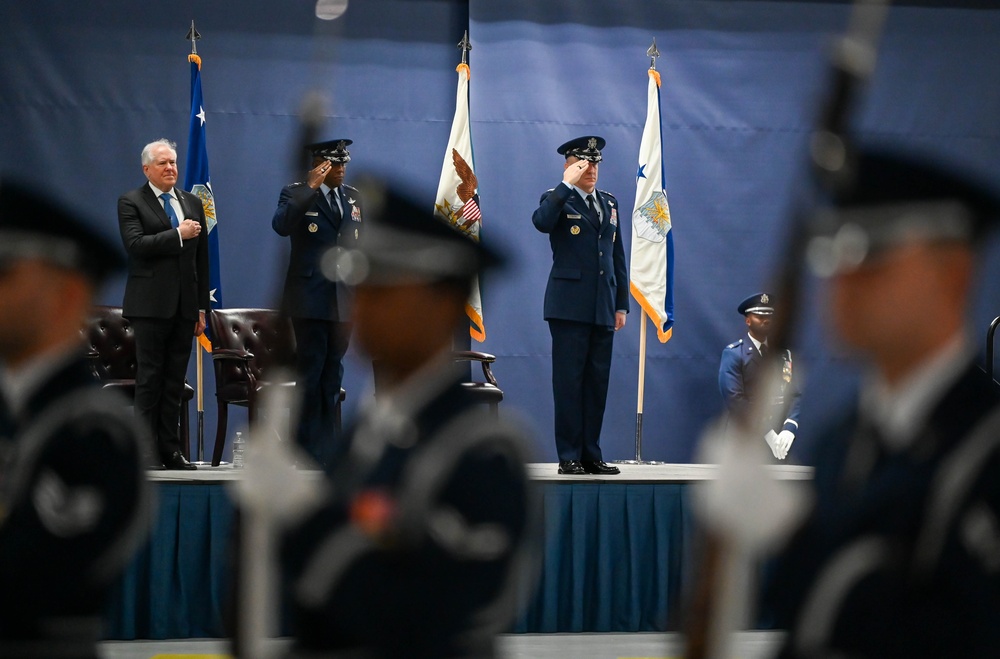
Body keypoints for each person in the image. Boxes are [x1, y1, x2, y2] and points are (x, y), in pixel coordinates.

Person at [279, 179, 536, 658]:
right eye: (359, 291)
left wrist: (308, 526)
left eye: (384, 291)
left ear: (442, 304)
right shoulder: (366, 432)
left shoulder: (481, 450)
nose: (362, 310)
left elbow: (445, 609)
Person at [763, 148, 1000, 658]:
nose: (843, 282)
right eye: (837, 254)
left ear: (953, 273)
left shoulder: (988, 452)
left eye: (872, 256)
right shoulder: (839, 444)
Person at [0, 179, 152, 658]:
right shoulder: (15, 414)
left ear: (67, 293)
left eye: (4, 272)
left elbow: (33, 581)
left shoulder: (93, 430)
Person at [532, 135, 628, 476]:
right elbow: (541, 222)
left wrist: (621, 304)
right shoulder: (556, 199)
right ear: (570, 165)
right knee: (569, 382)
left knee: (596, 384)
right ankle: (569, 454)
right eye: (584, 164)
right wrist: (564, 186)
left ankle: (591, 453)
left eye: (595, 163)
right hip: (569, 306)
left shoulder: (610, 203)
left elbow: (617, 255)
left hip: (602, 305)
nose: (592, 170)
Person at [117, 138, 209, 470]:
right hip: (150, 306)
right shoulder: (131, 202)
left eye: (173, 162)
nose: (171, 168)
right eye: (163, 164)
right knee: (150, 379)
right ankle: (143, 451)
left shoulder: (191, 202)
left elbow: (202, 258)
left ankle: (170, 451)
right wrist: (178, 235)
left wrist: (201, 308)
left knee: (174, 382)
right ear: (147, 169)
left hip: (185, 308)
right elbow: (136, 245)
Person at [272, 139, 363, 469]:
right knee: (310, 374)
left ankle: (328, 447)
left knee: (332, 376)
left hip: (343, 297)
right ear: (318, 166)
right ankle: (305, 449)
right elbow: (281, 226)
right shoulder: (295, 192)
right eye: (333, 165)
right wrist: (309, 188)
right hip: (309, 296)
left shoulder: (353, 197)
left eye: (343, 165)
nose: (340, 170)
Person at [718, 292, 800, 460]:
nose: (766, 320)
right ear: (748, 320)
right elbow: (735, 400)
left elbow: (794, 394)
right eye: (760, 316)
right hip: (745, 441)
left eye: (770, 315)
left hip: (781, 442)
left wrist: (789, 428)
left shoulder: (783, 355)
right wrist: (768, 434)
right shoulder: (734, 354)